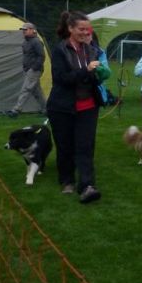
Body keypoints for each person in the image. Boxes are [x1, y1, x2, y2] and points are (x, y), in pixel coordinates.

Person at [46, 11, 106, 204]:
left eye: (87, 29)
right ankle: (67, 180)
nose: (85, 32)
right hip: (62, 107)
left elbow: (92, 78)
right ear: (70, 28)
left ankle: (87, 185)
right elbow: (62, 79)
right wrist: (86, 71)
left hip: (88, 106)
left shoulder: (91, 50)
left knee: (85, 146)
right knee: (65, 146)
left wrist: (100, 74)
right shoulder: (60, 50)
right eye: (81, 29)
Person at [6, 22, 47, 117]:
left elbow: (41, 56)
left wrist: (34, 68)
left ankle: (16, 110)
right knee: (36, 91)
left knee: (26, 89)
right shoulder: (25, 42)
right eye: (23, 30)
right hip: (28, 69)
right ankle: (46, 109)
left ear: (33, 30)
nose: (23, 31)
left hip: (34, 70)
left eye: (25, 29)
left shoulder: (36, 42)